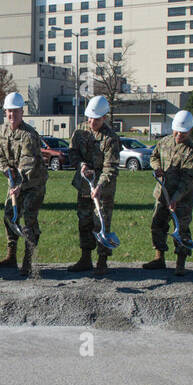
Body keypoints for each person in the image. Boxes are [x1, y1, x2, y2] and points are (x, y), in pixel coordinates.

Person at [0, 92, 47, 278]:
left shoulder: (28, 135)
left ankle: (29, 261)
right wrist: (6, 169)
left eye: (15, 112)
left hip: (33, 183)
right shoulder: (1, 131)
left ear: (22, 113)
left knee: (29, 220)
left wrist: (19, 183)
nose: (11, 116)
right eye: (8, 112)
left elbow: (27, 163)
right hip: (14, 180)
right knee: (9, 215)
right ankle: (11, 256)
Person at [67, 95, 122, 275]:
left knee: (101, 222)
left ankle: (102, 260)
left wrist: (99, 186)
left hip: (103, 189)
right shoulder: (80, 131)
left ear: (104, 118)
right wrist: (81, 165)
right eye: (90, 118)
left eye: (96, 119)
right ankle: (85, 258)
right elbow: (72, 153)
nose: (92, 122)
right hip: (84, 185)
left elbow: (111, 167)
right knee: (84, 221)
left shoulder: (111, 139)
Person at [146, 109, 193, 277]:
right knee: (158, 225)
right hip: (162, 194)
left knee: (181, 229)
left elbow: (189, 180)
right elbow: (153, 157)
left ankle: (180, 263)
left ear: (190, 131)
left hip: (181, 199)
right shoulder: (164, 142)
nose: (179, 134)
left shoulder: (192, 152)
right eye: (177, 131)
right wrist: (157, 168)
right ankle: (159, 258)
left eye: (183, 132)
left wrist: (176, 198)